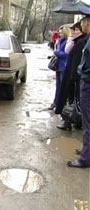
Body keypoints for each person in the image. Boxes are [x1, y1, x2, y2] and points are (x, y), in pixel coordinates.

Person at [68, 15, 90, 168]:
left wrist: (82, 72)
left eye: (82, 22)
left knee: (88, 121)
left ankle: (85, 158)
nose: (81, 25)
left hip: (88, 83)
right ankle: (86, 150)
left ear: (88, 22)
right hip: (86, 82)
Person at [55, 22, 86, 130]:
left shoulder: (81, 42)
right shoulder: (76, 41)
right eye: (74, 30)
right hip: (73, 75)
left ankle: (69, 121)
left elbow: (75, 60)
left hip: (73, 77)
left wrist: (73, 78)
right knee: (72, 100)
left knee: (70, 100)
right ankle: (76, 120)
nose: (75, 32)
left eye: (77, 30)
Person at [48, 26, 70, 110]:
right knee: (58, 85)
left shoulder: (66, 42)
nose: (59, 34)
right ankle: (56, 101)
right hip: (58, 66)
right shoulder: (60, 41)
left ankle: (60, 103)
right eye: (59, 32)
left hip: (63, 66)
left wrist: (56, 52)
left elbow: (65, 54)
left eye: (61, 33)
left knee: (61, 85)